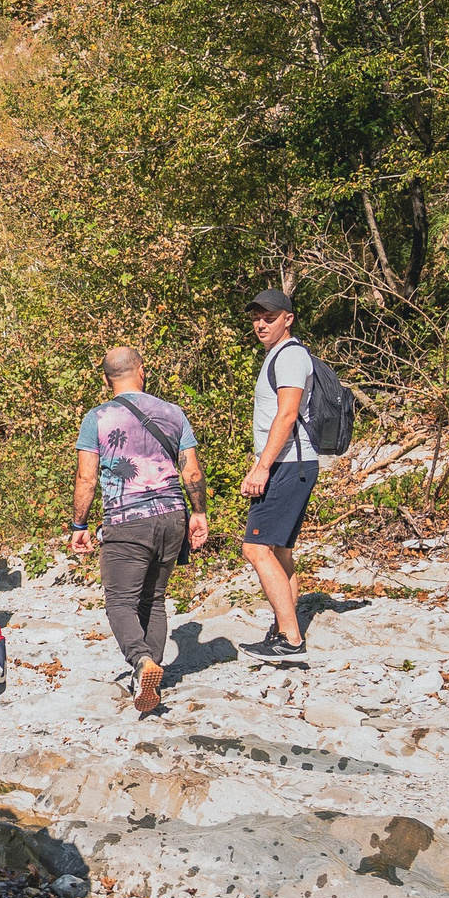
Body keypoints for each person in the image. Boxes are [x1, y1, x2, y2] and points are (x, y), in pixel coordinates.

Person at [69, 348, 210, 714]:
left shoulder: (96, 417)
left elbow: (86, 477)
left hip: (126, 520)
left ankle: (141, 660)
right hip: (172, 515)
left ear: (106, 380)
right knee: (155, 599)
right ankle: (148, 673)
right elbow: (191, 472)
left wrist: (79, 525)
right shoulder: (174, 413)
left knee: (120, 601)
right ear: (142, 372)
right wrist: (199, 513)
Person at [240, 288, 317, 661]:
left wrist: (261, 468)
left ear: (288, 318)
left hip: (288, 465)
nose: (260, 324)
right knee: (281, 550)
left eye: (268, 317)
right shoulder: (282, 356)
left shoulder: (289, 357)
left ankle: (290, 639)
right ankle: (284, 628)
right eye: (256, 317)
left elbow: (286, 416)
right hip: (294, 464)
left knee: (255, 548)